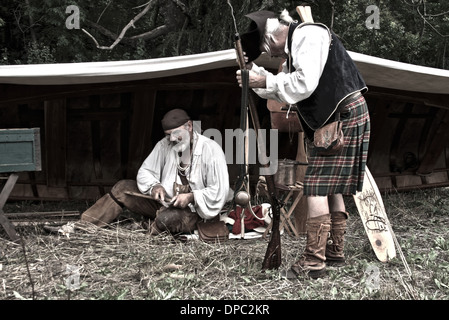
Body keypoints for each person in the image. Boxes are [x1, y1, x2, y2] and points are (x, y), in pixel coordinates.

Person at [236, 9, 370, 278]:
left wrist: (264, 79)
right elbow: (285, 88)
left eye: (269, 52)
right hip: (340, 116)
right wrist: (256, 79)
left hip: (342, 116)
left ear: (271, 39)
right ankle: (335, 251)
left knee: (316, 188)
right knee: (332, 188)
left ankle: (314, 262)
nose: (274, 57)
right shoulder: (297, 45)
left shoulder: (308, 35)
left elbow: (303, 85)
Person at [78, 108, 232, 235]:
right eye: (168, 135)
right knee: (122, 188)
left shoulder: (211, 149)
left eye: (176, 133)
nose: (172, 139)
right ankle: (83, 226)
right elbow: (146, 171)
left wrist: (192, 197)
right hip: (165, 204)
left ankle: (149, 229)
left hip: (195, 213)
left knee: (168, 219)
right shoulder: (164, 145)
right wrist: (155, 186)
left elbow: (220, 190)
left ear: (189, 126)